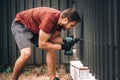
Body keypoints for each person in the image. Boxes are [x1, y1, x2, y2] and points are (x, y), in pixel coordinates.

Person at [11, 7, 81, 80]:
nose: (71, 28)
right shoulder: (50, 19)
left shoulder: (60, 21)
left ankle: (53, 78)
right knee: (26, 53)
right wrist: (62, 46)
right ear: (65, 20)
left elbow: (53, 39)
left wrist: (67, 40)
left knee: (51, 47)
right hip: (21, 25)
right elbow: (42, 44)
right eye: (72, 25)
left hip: (34, 28)